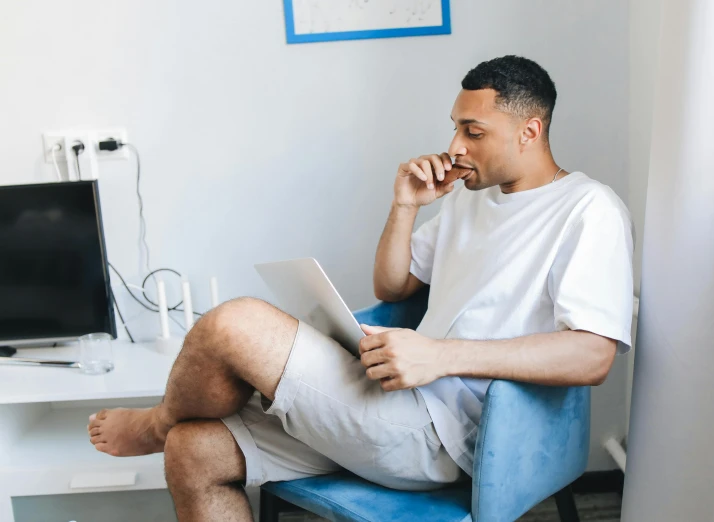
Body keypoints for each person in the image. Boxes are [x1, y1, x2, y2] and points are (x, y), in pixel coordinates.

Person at [87, 55, 634, 521]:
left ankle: (157, 422)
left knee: (233, 324)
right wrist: (404, 206)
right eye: (455, 127)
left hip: (452, 434)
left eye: (474, 131)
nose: (455, 146)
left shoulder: (589, 210)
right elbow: (393, 286)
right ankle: (171, 432)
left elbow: (593, 355)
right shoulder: (472, 197)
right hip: (392, 396)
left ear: (530, 130)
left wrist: (440, 357)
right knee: (194, 451)